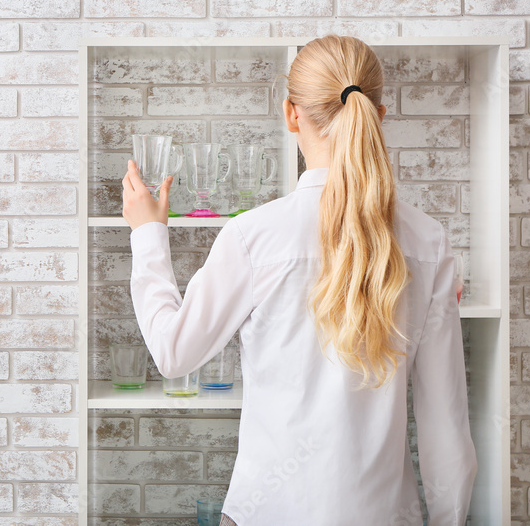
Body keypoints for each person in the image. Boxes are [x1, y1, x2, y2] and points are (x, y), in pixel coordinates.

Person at [121, 34, 477, 525]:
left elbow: (173, 352)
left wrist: (147, 235)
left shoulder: (252, 236)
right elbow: (447, 433)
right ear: (380, 113)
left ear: (292, 114)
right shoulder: (429, 243)